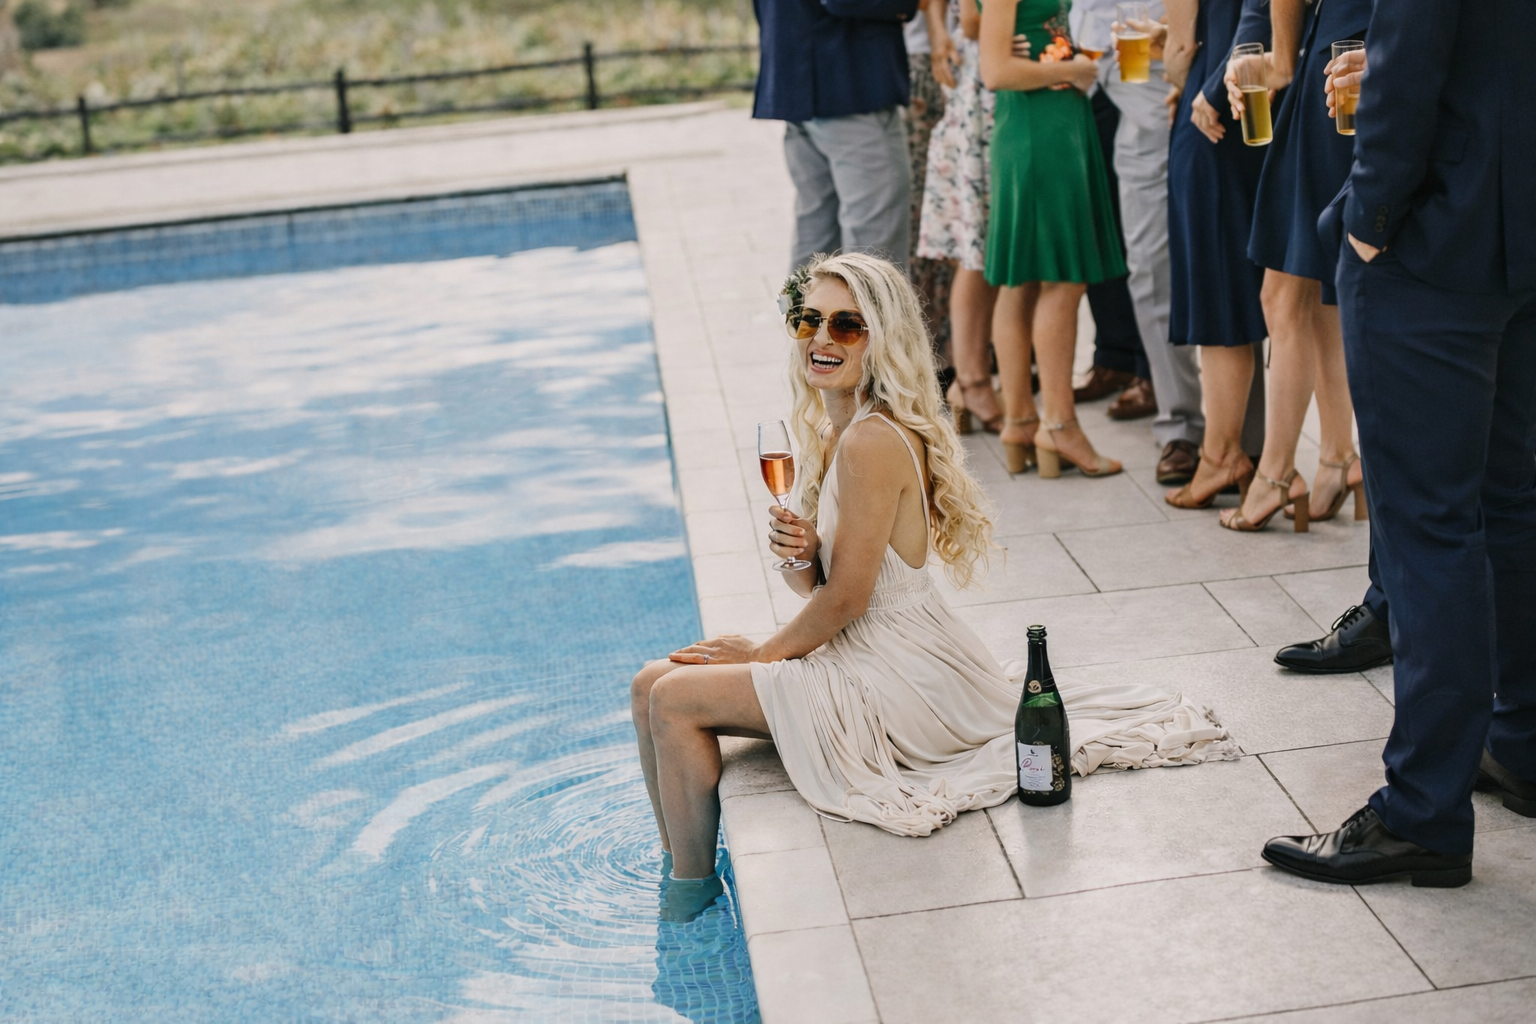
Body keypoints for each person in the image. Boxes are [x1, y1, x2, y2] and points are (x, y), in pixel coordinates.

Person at [631, 254, 1241, 906]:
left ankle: (689, 892)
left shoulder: (869, 442)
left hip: (894, 675)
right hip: (867, 649)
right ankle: (677, 860)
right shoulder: (837, 431)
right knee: (647, 686)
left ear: (883, 339)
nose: (823, 338)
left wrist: (759, 654)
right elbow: (823, 587)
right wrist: (802, 554)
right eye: (810, 320)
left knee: (673, 700)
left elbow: (846, 601)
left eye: (847, 325)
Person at [1262, 0, 1536, 888]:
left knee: (1429, 531)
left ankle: (1422, 812)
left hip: (1436, 237)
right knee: (1509, 504)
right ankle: (1521, 744)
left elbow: (1417, 53)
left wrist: (1369, 222)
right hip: (1519, 227)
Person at [1216, 0, 1371, 533]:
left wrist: (1281, 61)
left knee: (1282, 295)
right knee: (1321, 280)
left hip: (1328, 64)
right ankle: (1337, 456)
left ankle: (1277, 472)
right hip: (1351, 48)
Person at [979, 0, 1128, 477]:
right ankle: (1059, 424)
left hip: (1040, 122)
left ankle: (1021, 421)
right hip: (1041, 127)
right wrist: (1073, 68)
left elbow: (970, 21)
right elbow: (994, 70)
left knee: (1021, 282)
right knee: (1062, 281)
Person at [1095, 5, 1211, 484]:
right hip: (1127, 88)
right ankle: (1180, 424)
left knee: (1229, 271)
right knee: (1149, 274)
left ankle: (1244, 439)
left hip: (1207, 78)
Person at [1162, 0, 1270, 511]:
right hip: (1246, 93)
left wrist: (1191, 80)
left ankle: (1222, 453)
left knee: (1216, 285)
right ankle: (1268, 454)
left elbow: (1180, 46)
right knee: (1239, 283)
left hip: (1214, 103)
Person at [754, 0, 920, 272]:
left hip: (797, 76)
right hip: (848, 81)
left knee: (815, 235)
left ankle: (805, 303)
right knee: (874, 250)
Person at [918, 0, 1004, 434]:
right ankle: (972, 380)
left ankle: (970, 380)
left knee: (984, 248)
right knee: (979, 248)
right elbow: (972, 21)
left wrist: (938, 33)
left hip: (984, 80)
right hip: (985, 87)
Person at [1069, 0, 1156, 423]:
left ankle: (1151, 370)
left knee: (1144, 230)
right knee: (1098, 220)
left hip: (1143, 61)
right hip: (1087, 69)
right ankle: (1114, 355)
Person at [904, 4, 957, 359]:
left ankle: (950, 343)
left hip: (948, 59)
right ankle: (928, 344)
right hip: (924, 63)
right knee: (926, 210)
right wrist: (938, 33)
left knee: (944, 208)